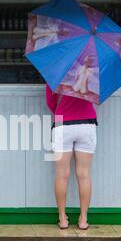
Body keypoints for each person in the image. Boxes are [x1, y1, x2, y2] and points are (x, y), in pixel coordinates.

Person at [46, 84, 98, 230]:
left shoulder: (57, 69)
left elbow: (50, 101)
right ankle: (83, 219)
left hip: (63, 124)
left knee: (62, 174)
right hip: (87, 123)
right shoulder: (92, 72)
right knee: (84, 174)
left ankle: (63, 219)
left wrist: (62, 112)